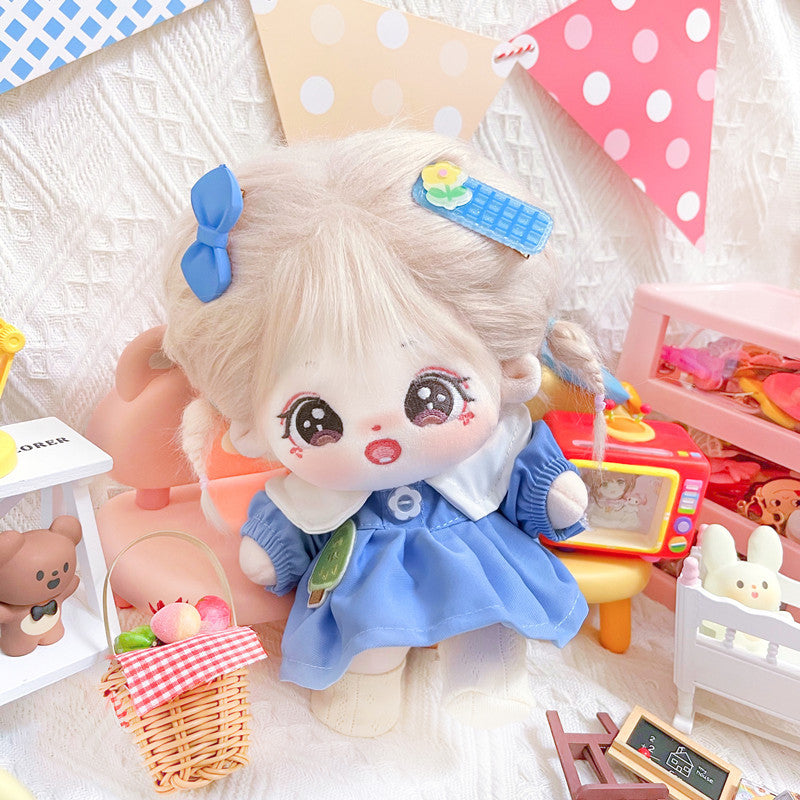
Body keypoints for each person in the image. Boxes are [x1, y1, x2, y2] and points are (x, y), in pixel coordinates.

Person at [162, 128, 606, 736]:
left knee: (490, 616)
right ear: (252, 430)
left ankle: (486, 678)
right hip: (367, 574)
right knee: (367, 631)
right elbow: (286, 521)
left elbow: (524, 466)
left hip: (474, 554)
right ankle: (367, 684)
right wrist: (273, 549)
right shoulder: (316, 489)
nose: (378, 431)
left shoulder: (491, 450)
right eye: (316, 420)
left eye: (432, 396)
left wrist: (550, 491)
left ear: (510, 374)